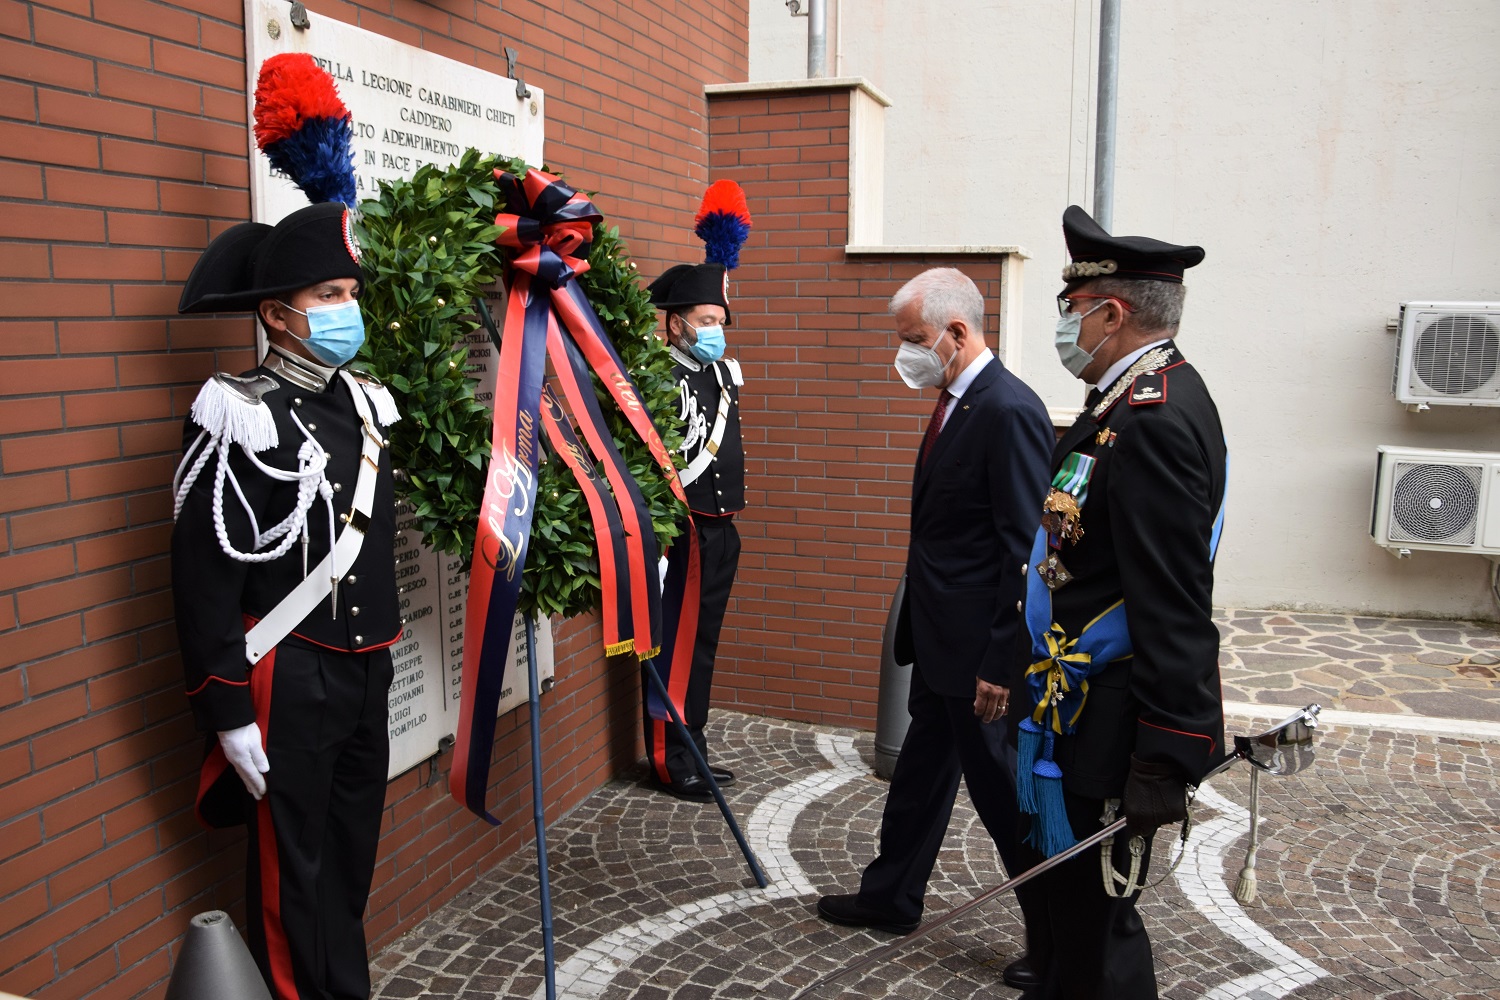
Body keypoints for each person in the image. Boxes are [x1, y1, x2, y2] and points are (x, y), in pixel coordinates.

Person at [172, 201, 402, 1000]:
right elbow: (204, 577)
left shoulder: (367, 403)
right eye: (328, 296)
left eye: (350, 293)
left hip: (367, 665)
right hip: (290, 672)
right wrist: (228, 711)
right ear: (277, 314)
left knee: (348, 859)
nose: (347, 312)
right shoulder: (238, 410)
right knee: (289, 873)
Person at [1011, 205, 1227, 999]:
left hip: (1112, 718)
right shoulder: (1125, 403)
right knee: (1075, 918)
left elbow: (1173, 598)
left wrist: (1168, 750)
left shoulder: (1156, 418)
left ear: (1112, 311)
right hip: (1076, 707)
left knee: (1101, 924)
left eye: (1072, 311)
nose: (1066, 327)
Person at [817, 268, 1052, 989]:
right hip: (941, 641)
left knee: (1007, 800)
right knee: (919, 778)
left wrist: (1000, 661)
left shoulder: (1007, 409)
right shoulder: (958, 399)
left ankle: (1061, 940)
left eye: (914, 340)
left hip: (978, 655)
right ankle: (892, 895)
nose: (906, 355)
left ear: (956, 332)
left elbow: (1025, 550)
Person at [642, 261, 746, 800]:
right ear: (675, 323)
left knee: (700, 645)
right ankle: (668, 758)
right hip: (681, 532)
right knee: (674, 648)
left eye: (719, 318)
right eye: (705, 319)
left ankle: (692, 747)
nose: (715, 329)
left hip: (721, 528)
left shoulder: (720, 373)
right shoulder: (657, 375)